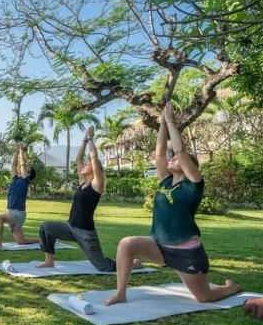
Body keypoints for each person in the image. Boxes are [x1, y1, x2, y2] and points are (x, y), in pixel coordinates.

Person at [103, 102, 243, 306]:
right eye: (173, 158)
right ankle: (120, 293)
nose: (172, 159)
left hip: (186, 251)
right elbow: (160, 152)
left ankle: (232, 287)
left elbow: (180, 150)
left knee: (204, 297)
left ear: (189, 166)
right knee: (127, 243)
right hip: (159, 246)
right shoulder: (165, 181)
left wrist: (171, 121)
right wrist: (162, 122)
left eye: (177, 159)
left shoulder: (193, 184)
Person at [37, 127, 143, 271]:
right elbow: (78, 159)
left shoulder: (96, 184)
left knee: (103, 266)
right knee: (46, 227)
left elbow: (93, 157)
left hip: (85, 233)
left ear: (94, 168)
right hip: (70, 227)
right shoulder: (83, 182)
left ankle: (133, 263)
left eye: (87, 164)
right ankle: (49, 261)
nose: (83, 165)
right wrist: (84, 140)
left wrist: (91, 139)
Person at [0, 142, 40, 249]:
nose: (25, 168)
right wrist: (16, 152)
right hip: (13, 213)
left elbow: (22, 164)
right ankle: (41, 240)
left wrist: (21, 149)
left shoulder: (25, 180)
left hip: (18, 214)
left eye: (28, 169)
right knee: (21, 241)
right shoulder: (15, 178)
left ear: (29, 174)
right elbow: (14, 165)